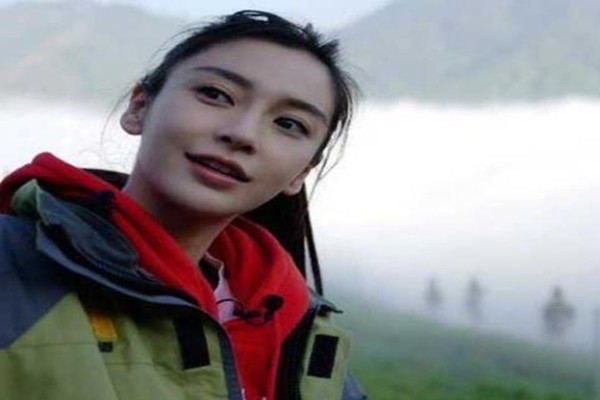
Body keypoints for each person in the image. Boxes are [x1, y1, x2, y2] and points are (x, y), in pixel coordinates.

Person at [0, 10, 366, 400]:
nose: (242, 134)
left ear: (301, 172)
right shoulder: (12, 261)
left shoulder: (302, 328)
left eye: (289, 124)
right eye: (216, 94)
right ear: (140, 106)